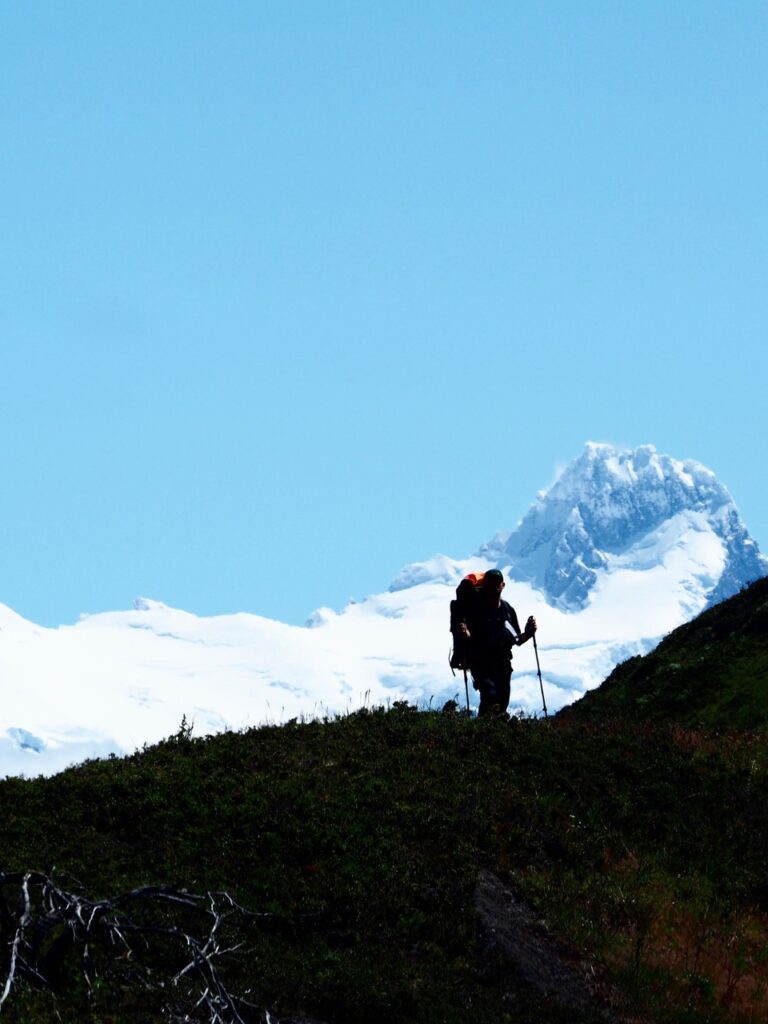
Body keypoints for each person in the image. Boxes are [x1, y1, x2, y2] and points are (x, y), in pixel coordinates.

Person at [453, 569, 537, 717]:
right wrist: (465, 633)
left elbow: (516, 639)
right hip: (481, 663)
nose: (493, 587)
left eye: (496, 583)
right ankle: (485, 734)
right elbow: (470, 635)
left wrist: (529, 633)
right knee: (490, 697)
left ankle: (489, 735)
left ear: (502, 585)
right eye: (489, 584)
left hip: (503, 664)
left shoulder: (508, 610)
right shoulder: (476, 609)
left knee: (502, 702)